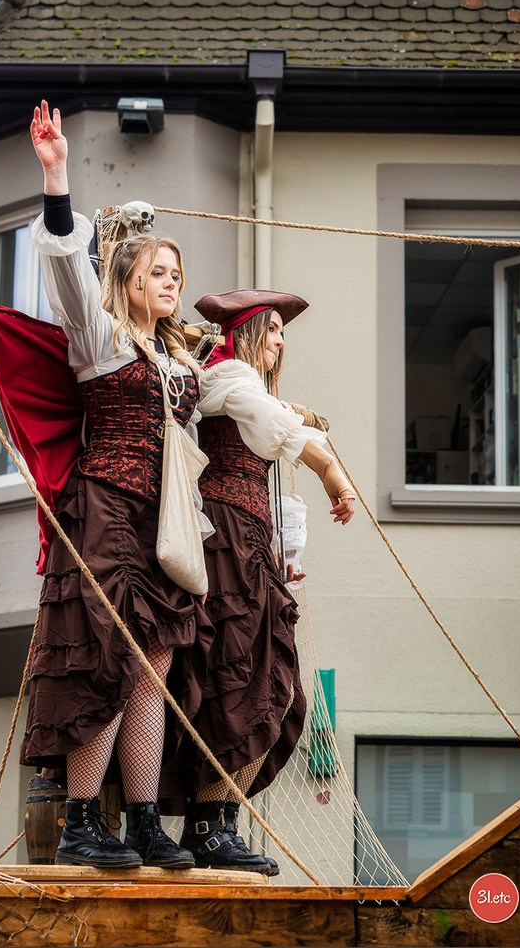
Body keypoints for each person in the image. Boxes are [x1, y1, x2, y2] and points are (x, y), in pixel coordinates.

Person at [18, 100, 212, 869]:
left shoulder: (182, 364)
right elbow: (67, 265)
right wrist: (57, 174)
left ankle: (140, 820)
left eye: (177, 275)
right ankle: (76, 822)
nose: (171, 283)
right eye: (158, 273)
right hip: (104, 513)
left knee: (154, 666)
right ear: (127, 280)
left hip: (161, 522)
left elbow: (218, 428)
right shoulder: (100, 341)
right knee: (108, 657)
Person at [174, 289, 356, 875]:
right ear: (248, 334)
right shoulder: (227, 376)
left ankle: (220, 818)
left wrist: (289, 549)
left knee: (268, 678)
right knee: (236, 672)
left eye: (282, 332)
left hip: (250, 540)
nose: (281, 341)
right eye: (273, 329)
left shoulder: (246, 386)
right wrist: (332, 473)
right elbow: (279, 428)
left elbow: (277, 462)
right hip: (225, 537)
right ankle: (206, 824)